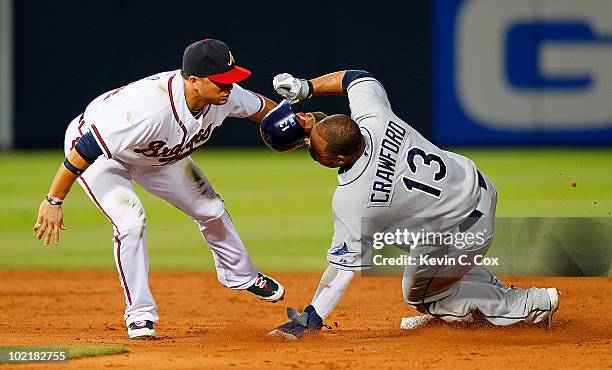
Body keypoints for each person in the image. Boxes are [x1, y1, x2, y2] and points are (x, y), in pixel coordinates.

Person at [262, 70, 560, 340]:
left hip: (465, 231)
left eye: (312, 147)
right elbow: (356, 77)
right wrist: (305, 87)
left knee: (424, 295)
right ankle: (468, 298)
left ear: (340, 159)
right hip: (476, 186)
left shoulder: (353, 198)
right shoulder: (374, 117)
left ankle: (530, 304)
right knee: (408, 236)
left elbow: (342, 271)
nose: (310, 149)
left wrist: (309, 319)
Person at [32, 39, 285, 339]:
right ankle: (139, 315)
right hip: (104, 156)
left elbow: (265, 110)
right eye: (221, 82)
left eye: (231, 80)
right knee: (130, 223)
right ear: (193, 81)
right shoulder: (148, 109)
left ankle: (241, 276)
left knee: (211, 209)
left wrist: (299, 127)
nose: (228, 88)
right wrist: (54, 199)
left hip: (159, 156)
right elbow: (84, 149)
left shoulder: (223, 95)